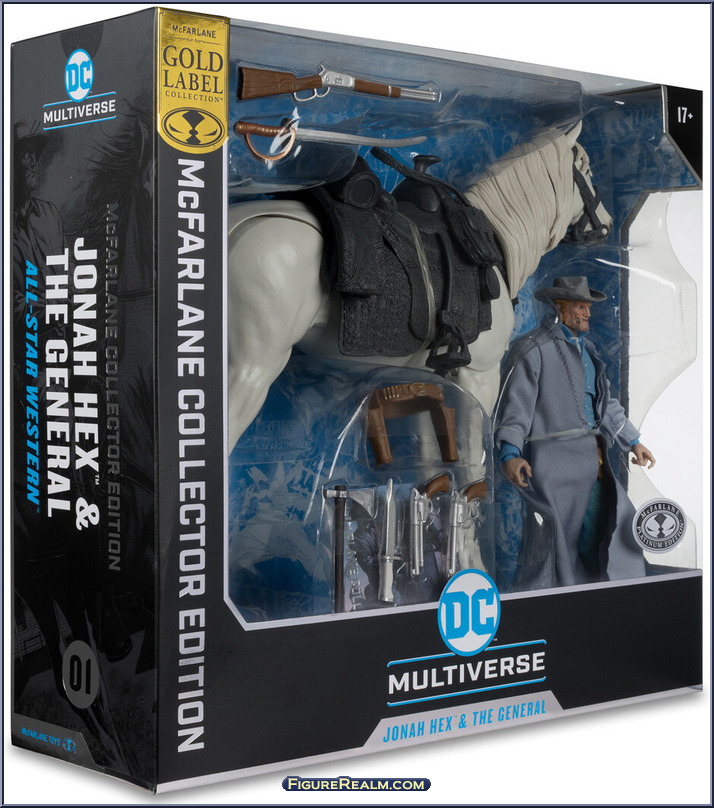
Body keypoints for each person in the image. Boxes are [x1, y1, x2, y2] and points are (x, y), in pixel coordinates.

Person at [495, 276, 655, 590]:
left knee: (615, 526)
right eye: (581, 307)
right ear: (561, 309)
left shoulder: (588, 351)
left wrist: (633, 441)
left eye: (587, 307)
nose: (588, 313)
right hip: (556, 467)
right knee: (560, 542)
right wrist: (510, 454)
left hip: (593, 462)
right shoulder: (533, 349)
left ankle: (609, 591)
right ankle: (572, 595)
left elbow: (605, 404)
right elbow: (516, 408)